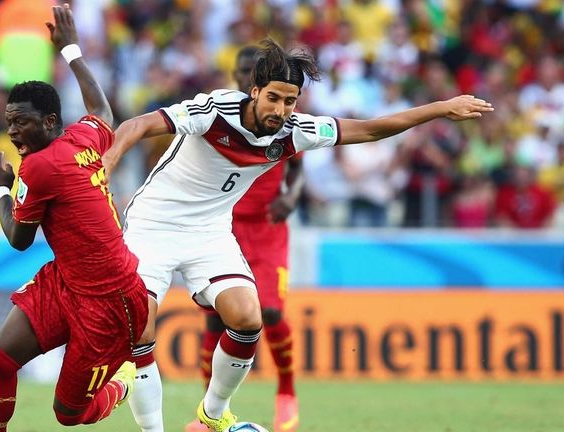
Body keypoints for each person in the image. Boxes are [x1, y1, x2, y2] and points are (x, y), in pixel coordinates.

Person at [103, 38, 493, 432]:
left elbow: (372, 130)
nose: (281, 110)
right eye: (273, 98)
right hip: (154, 225)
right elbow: (137, 125)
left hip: (209, 232)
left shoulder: (294, 130)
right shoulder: (214, 109)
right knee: (142, 331)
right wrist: (108, 163)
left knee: (248, 318)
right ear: (254, 91)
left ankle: (213, 416)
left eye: (290, 101)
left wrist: (442, 109)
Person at [0, 4, 148, 431]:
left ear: (50, 121)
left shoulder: (39, 167)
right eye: (9, 123)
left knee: (69, 415)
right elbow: (103, 110)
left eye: (22, 123)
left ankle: (123, 383)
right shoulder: (83, 135)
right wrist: (70, 50)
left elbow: (18, 238)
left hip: (110, 301)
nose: (13, 132)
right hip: (67, 280)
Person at [184, 46, 304, 432]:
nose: (243, 79)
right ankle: (210, 413)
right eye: (240, 73)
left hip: (267, 228)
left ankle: (286, 390)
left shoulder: (282, 120)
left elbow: (298, 166)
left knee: (269, 312)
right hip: (223, 227)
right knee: (218, 321)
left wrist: (292, 195)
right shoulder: (217, 116)